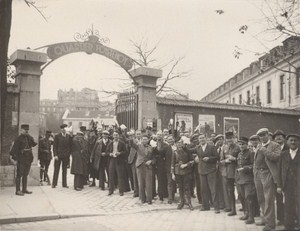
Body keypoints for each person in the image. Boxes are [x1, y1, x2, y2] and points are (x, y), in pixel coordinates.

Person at [254, 128, 281, 231]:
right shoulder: (259, 146)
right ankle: (266, 219)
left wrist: (264, 150)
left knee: (268, 199)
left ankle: (270, 225)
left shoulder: (275, 145)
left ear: (268, 135)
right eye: (260, 136)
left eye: (264, 135)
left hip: (268, 173)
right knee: (261, 198)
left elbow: (276, 157)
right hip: (258, 173)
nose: (262, 137)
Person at [192, 133, 220, 213]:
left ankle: (216, 207)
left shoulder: (212, 147)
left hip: (211, 171)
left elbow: (217, 157)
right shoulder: (198, 148)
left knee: (213, 189)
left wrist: (209, 159)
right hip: (202, 171)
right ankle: (205, 206)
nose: (202, 140)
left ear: (206, 138)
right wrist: (182, 145)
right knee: (203, 189)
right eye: (200, 138)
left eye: (203, 138)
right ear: (199, 140)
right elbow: (189, 151)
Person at [277, 134, 300, 230]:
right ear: (287, 142)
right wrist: (279, 185)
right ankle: (288, 226)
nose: (293, 142)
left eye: (295, 140)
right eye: (291, 140)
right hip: (287, 184)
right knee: (288, 205)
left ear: (299, 142)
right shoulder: (284, 154)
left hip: (299, 184)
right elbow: (279, 170)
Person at [10, 124, 37, 196]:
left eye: (27, 130)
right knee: (19, 175)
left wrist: (30, 137)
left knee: (25, 175)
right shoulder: (18, 139)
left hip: (28, 159)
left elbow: (34, 144)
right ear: (21, 130)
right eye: (25, 130)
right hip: (21, 159)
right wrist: (15, 159)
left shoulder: (29, 137)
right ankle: (17, 191)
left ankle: (24, 189)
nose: (26, 131)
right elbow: (15, 149)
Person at [235, 137, 256, 224]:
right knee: (242, 197)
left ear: (247, 145)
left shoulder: (251, 153)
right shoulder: (239, 154)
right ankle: (246, 213)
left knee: (249, 197)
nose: (241, 146)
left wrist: (244, 168)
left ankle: (251, 217)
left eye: (243, 144)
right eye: (239, 144)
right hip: (240, 179)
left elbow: (253, 165)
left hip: (248, 179)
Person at [130, 134, 155, 204]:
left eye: (146, 139)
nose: (144, 141)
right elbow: (132, 144)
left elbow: (154, 158)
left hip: (148, 167)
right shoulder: (138, 146)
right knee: (141, 183)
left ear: (148, 140)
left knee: (148, 183)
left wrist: (151, 161)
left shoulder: (151, 148)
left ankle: (149, 199)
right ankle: (142, 198)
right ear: (141, 140)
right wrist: (132, 137)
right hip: (140, 166)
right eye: (143, 139)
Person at [171, 139, 194, 210]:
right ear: (176, 144)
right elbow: (172, 164)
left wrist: (186, 165)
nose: (179, 144)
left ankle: (189, 202)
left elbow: (192, 161)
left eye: (181, 143)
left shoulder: (187, 152)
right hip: (178, 172)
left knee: (187, 188)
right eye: (178, 143)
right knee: (180, 188)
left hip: (186, 172)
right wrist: (173, 174)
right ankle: (182, 202)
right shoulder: (174, 152)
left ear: (183, 144)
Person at [222, 131, 240, 216]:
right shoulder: (224, 147)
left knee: (241, 192)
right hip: (228, 173)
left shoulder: (238, 147)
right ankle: (233, 209)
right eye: (228, 138)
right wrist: (225, 161)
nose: (229, 140)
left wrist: (234, 159)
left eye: (231, 138)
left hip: (237, 172)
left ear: (234, 138)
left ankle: (247, 210)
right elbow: (221, 160)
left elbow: (242, 159)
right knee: (230, 191)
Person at [272, 129, 288, 226]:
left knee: (289, 199)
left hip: (287, 177)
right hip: (277, 176)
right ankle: (281, 219)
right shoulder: (273, 148)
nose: (278, 138)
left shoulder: (288, 147)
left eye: (280, 136)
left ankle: (291, 218)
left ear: (284, 138)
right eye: (276, 137)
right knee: (279, 199)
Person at [107, 131, 127, 196]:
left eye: (116, 135)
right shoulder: (110, 143)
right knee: (111, 175)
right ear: (113, 136)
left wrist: (120, 153)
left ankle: (121, 191)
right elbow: (107, 151)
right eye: (114, 135)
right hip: (112, 160)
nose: (115, 136)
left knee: (120, 176)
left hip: (119, 160)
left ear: (118, 136)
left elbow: (125, 151)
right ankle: (111, 190)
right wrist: (109, 154)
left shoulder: (122, 143)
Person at [52, 124, 71, 188]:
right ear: (61, 129)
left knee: (64, 170)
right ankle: (54, 184)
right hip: (58, 156)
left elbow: (69, 146)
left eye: (65, 128)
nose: (64, 130)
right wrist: (55, 155)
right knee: (56, 170)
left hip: (65, 156)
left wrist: (68, 155)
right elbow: (54, 146)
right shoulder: (57, 136)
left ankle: (64, 184)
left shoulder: (68, 136)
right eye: (63, 128)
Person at [154, 131, 168, 201]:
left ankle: (162, 194)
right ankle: (158, 193)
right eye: (158, 135)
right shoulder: (154, 144)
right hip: (155, 163)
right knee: (157, 179)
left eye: (160, 135)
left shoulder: (165, 145)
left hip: (162, 164)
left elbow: (166, 154)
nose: (159, 136)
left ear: (162, 136)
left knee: (162, 179)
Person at [127, 130, 139, 197]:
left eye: (139, 134)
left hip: (140, 160)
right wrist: (131, 138)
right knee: (134, 176)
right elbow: (130, 144)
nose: (138, 135)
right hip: (134, 160)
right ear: (135, 135)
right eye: (137, 134)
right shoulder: (132, 140)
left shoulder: (144, 140)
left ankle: (141, 191)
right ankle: (135, 191)